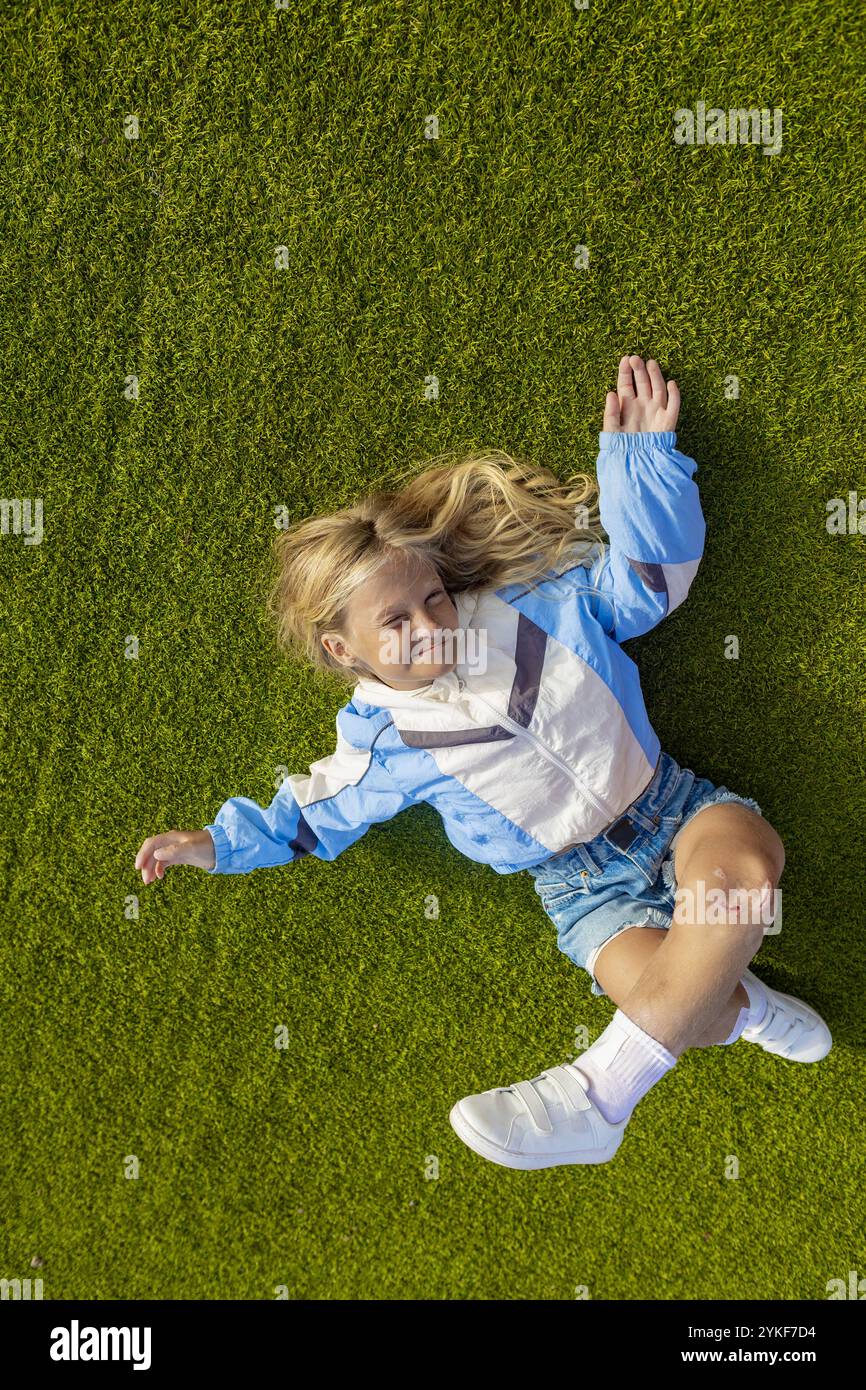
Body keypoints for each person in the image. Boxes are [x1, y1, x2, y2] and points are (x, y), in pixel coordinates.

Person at [134, 353, 831, 1170]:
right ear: (342, 649)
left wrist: (639, 466)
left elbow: (647, 584)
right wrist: (212, 845)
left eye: (431, 596)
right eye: (394, 621)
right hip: (582, 888)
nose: (428, 622)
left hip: (673, 807)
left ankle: (597, 1099)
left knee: (737, 883)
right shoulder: (379, 744)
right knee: (687, 1005)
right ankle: (745, 1009)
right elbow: (307, 818)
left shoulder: (530, 608)